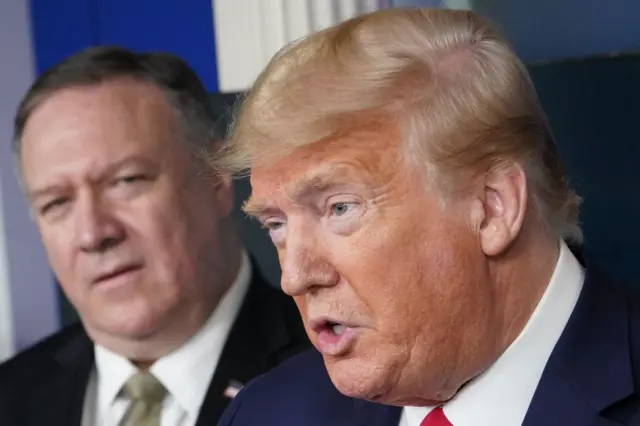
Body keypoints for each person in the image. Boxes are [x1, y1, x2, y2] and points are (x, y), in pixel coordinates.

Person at [215, 7, 640, 426]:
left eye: (339, 208)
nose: (295, 276)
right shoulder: (265, 413)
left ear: (493, 207)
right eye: (276, 225)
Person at [0, 46, 309, 426]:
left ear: (214, 177)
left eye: (126, 181)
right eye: (57, 203)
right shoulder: (10, 397)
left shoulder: (337, 374)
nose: (93, 233)